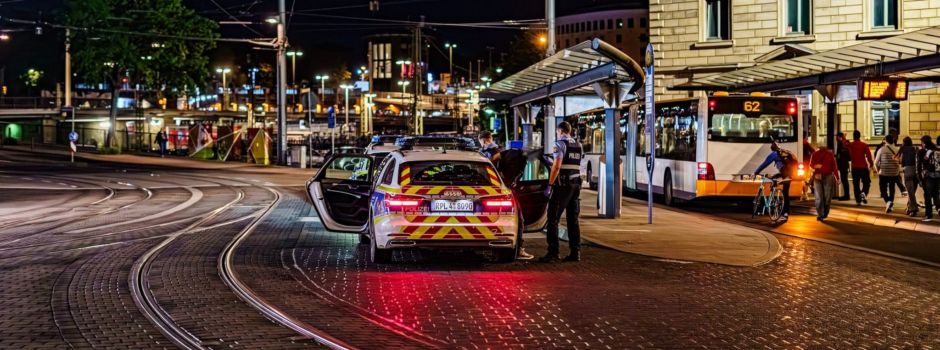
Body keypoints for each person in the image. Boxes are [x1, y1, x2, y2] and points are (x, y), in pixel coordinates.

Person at [541, 121, 583, 263]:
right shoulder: (578, 145)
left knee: (553, 218)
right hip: (576, 185)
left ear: (560, 131)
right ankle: (575, 252)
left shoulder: (559, 144)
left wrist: (550, 184)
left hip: (562, 185)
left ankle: (553, 252)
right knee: (573, 220)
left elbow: (557, 166)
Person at [493, 148, 535, 260]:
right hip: (507, 190)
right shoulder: (521, 161)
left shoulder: (507, 153)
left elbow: (495, 157)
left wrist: (494, 169)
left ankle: (518, 248)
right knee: (520, 220)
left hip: (503, 187)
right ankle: (519, 249)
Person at [753, 142, 798, 219]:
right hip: (790, 174)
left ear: (772, 149)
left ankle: (774, 198)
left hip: (784, 174)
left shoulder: (774, 154)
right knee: (785, 193)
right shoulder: (786, 152)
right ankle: (786, 213)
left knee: (774, 180)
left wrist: (756, 172)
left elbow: (764, 164)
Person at [810, 145, 840, 221]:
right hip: (819, 176)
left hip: (827, 176)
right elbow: (811, 165)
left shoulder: (829, 154)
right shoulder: (816, 154)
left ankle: (824, 213)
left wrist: (837, 177)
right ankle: (821, 214)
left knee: (823, 197)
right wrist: (816, 166)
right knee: (822, 196)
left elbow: (834, 166)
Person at [875, 134, 902, 213]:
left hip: (883, 173)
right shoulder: (897, 149)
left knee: (883, 189)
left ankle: (888, 202)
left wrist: (878, 171)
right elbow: (900, 161)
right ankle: (890, 202)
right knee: (892, 188)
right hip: (894, 173)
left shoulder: (881, 149)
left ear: (885, 141)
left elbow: (876, 163)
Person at [847, 130, 874, 206]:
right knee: (866, 182)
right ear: (859, 136)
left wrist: (844, 138)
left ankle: (858, 200)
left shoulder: (850, 145)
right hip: (863, 167)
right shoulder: (864, 145)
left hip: (854, 167)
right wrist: (871, 164)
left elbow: (844, 145)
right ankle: (863, 193)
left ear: (853, 136)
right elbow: (868, 156)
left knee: (856, 184)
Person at [917, 136, 940, 221]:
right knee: (936, 193)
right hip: (938, 175)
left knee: (927, 195)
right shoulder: (937, 150)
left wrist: (920, 176)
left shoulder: (926, 152)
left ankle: (928, 215)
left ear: (924, 143)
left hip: (929, 176)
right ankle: (939, 208)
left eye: (922, 143)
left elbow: (923, 162)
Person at [898, 136, 920, 216]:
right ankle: (909, 207)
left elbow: (900, 160)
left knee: (910, 192)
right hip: (916, 170)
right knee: (912, 191)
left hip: (907, 170)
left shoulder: (902, 149)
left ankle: (913, 209)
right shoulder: (915, 148)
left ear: (904, 142)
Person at [835, 132, 852, 200]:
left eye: (837, 137)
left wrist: (837, 158)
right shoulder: (845, 143)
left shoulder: (841, 144)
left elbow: (840, 154)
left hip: (843, 164)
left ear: (839, 137)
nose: (836, 138)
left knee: (844, 180)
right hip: (845, 164)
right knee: (844, 180)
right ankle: (846, 195)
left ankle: (846, 195)